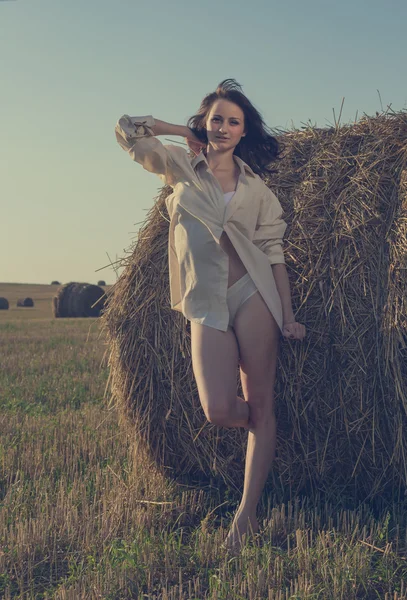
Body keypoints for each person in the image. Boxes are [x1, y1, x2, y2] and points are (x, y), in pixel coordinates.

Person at [115, 78, 306, 554]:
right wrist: (183, 130)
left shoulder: (259, 191)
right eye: (216, 119)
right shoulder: (182, 168)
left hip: (254, 293)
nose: (223, 127)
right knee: (219, 409)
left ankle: (247, 512)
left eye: (232, 121)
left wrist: (287, 315)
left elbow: (274, 253)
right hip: (205, 299)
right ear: (207, 123)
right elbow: (126, 129)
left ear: (245, 131)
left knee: (259, 399)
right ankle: (263, 429)